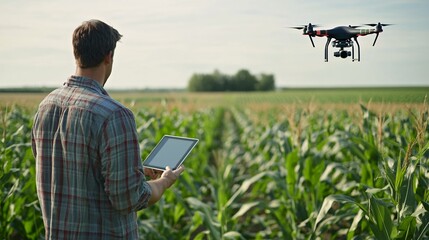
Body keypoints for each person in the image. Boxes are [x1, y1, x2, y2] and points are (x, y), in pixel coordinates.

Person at [31, 19, 184, 239]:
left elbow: (64, 166)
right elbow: (129, 198)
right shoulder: (113, 115)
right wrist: (164, 181)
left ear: (77, 54)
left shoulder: (46, 106)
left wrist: (134, 170)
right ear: (109, 56)